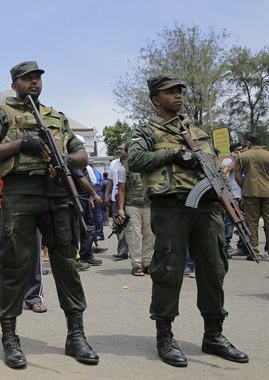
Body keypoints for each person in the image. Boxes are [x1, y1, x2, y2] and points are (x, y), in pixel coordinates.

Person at [0, 61, 98, 368]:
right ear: (14, 84)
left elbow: (82, 154)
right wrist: (22, 144)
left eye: (37, 78)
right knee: (15, 263)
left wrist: (64, 160)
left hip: (57, 194)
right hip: (20, 194)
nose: (33, 83)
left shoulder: (56, 116)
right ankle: (10, 338)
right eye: (26, 79)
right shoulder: (3, 114)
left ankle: (76, 335)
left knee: (66, 264)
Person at [129, 74, 248, 367]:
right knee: (168, 270)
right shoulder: (147, 130)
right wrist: (174, 153)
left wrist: (228, 199)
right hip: (172, 207)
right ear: (156, 99)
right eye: (170, 92)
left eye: (180, 90)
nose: (178, 95)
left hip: (208, 207)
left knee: (214, 269)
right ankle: (165, 336)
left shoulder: (198, 130)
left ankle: (214, 335)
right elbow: (135, 160)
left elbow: (216, 167)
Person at [0, 160, 47, 314]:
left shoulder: (33, 137)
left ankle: (34, 297)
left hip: (31, 199)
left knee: (33, 249)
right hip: (0, 201)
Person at [116, 142, 153, 276]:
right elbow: (121, 190)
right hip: (132, 205)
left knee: (150, 235)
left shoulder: (149, 166)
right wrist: (121, 210)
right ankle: (136, 264)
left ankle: (147, 263)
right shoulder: (124, 168)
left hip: (149, 205)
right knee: (134, 235)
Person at [234, 133, 269, 259]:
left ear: (249, 143)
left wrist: (244, 186)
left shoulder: (242, 156)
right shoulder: (268, 155)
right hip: (268, 192)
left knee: (252, 222)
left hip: (250, 192)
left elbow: (237, 176)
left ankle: (254, 251)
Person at [105, 142, 129, 259]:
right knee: (119, 225)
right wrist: (106, 195)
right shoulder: (114, 163)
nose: (119, 151)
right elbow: (110, 180)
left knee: (133, 226)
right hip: (116, 198)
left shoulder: (133, 162)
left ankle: (135, 251)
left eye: (121, 149)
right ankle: (123, 251)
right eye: (118, 149)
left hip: (130, 199)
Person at [222, 143, 243, 256]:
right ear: (232, 152)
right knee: (229, 221)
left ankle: (243, 244)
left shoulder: (244, 159)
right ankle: (226, 244)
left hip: (243, 195)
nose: (240, 152)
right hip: (232, 195)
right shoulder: (226, 161)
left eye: (241, 150)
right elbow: (226, 171)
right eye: (237, 150)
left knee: (245, 221)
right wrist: (237, 159)